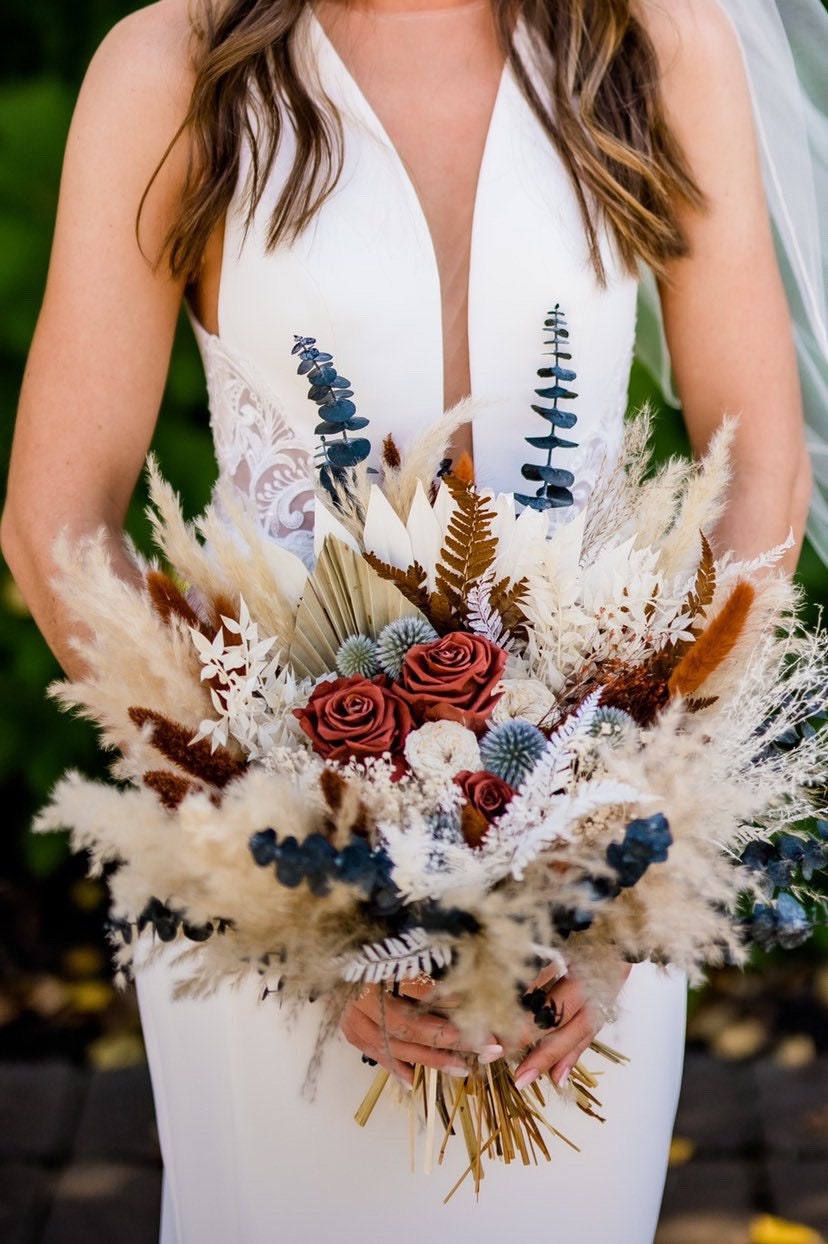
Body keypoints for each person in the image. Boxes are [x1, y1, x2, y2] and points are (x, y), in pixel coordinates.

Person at [2, 0, 823, 1240]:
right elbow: (55, 524)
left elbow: (760, 479)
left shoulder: (654, 44)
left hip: (592, 874)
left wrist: (620, 857)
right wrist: (290, 884)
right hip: (273, 877)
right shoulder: (176, 65)